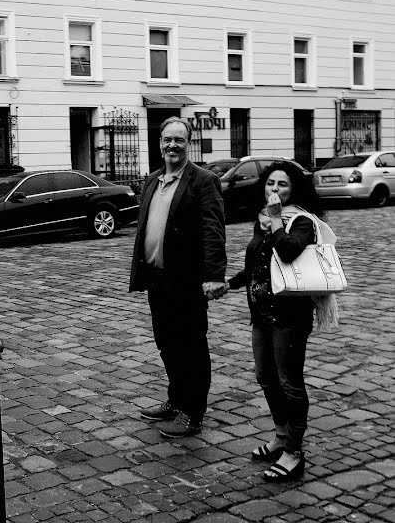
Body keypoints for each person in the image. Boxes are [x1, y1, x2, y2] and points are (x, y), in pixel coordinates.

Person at [223, 160, 327, 482]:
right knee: (266, 377)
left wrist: (279, 218)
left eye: (282, 184)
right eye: (270, 184)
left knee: (289, 382)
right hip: (261, 315)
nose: (275, 189)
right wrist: (228, 284)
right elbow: (257, 265)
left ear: (293, 189)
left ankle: (294, 452)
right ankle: (281, 435)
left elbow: (287, 251)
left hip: (290, 317)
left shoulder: (301, 222)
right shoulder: (264, 222)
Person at [129, 117, 227, 438]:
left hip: (187, 281)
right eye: (167, 139)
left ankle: (192, 413)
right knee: (166, 343)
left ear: (189, 143)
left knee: (191, 347)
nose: (173, 145)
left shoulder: (203, 180)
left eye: (179, 140)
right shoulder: (153, 180)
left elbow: (213, 231)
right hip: (158, 279)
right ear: (159, 143)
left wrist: (214, 275)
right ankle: (176, 400)